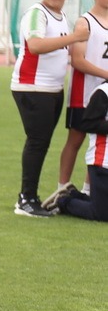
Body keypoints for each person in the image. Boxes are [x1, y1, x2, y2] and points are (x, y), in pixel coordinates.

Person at [9, 0, 77, 216]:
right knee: (37, 142)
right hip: (33, 87)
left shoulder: (62, 17)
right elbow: (36, 45)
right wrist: (74, 37)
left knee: (42, 142)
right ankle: (25, 199)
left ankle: (31, 197)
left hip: (53, 88)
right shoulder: (38, 13)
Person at [50, 0, 108, 208]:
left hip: (104, 94)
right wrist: (105, 75)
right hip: (84, 92)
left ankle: (89, 189)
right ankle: (62, 187)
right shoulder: (85, 22)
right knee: (76, 139)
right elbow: (77, 60)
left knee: (100, 139)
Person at [58, 82, 108, 219]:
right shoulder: (104, 92)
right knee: (102, 214)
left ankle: (75, 195)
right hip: (103, 162)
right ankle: (63, 201)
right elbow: (88, 123)